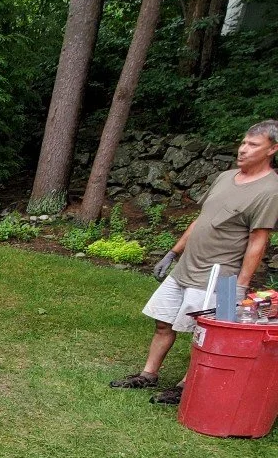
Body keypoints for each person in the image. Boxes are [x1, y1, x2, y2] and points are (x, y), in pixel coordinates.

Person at [110, 119, 278, 405]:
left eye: (253, 145)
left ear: (272, 149)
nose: (243, 149)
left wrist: (239, 287)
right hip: (187, 265)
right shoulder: (226, 177)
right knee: (163, 322)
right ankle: (148, 374)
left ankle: (188, 384)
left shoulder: (270, 190)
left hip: (221, 276)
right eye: (243, 142)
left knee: (206, 333)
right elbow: (202, 219)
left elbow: (258, 241)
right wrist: (173, 253)